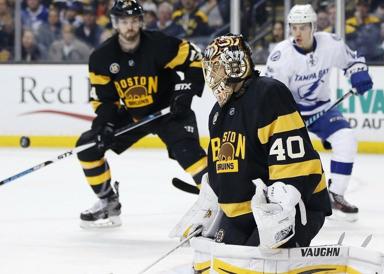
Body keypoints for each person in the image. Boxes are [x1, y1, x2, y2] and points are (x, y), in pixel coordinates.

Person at [170, 34, 331, 252]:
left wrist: (281, 206)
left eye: (217, 67)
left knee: (255, 265)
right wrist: (210, 207)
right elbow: (222, 169)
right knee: (214, 263)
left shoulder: (268, 94)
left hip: (292, 206)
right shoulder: (217, 113)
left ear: (235, 65)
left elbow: (295, 160)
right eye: (210, 68)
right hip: (244, 214)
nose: (212, 75)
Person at [76, 0, 207, 229]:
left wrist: (184, 92)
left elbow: (197, 61)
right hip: (135, 114)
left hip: (169, 111)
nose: (130, 27)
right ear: (116, 23)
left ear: (141, 22)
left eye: (134, 21)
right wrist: (104, 126)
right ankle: (108, 202)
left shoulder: (160, 45)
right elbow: (105, 100)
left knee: (190, 154)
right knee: (88, 146)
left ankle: (221, 204)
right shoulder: (102, 57)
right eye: (124, 22)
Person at [263, 4, 373, 221]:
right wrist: (286, 120)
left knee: (346, 139)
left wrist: (358, 74)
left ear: (313, 27)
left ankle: (336, 196)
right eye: (293, 27)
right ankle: (274, 197)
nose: (297, 33)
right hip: (290, 114)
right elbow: (272, 93)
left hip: (323, 109)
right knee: (281, 157)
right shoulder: (281, 56)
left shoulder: (331, 44)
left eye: (303, 27)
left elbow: (353, 61)